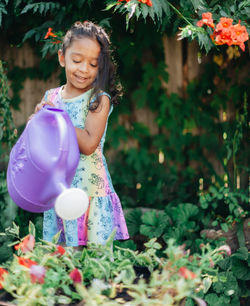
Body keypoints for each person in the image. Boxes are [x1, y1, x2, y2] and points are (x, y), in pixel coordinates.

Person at [32, 21, 129, 247]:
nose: (84, 69)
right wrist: (38, 118)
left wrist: (57, 118)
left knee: (95, 262)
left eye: (93, 64)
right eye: (77, 60)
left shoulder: (99, 99)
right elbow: (40, 140)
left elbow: (87, 144)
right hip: (59, 189)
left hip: (90, 191)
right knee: (63, 257)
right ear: (62, 57)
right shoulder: (51, 96)